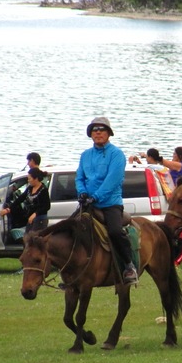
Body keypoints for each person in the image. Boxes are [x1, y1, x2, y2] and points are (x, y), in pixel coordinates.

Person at [75, 117, 138, 285]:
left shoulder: (116, 154)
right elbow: (79, 177)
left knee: (115, 232)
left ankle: (129, 266)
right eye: (94, 130)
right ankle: (73, 272)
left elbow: (113, 180)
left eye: (101, 130)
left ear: (109, 133)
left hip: (110, 203)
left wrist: (96, 196)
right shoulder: (85, 156)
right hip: (88, 203)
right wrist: (82, 193)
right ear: (90, 134)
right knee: (71, 230)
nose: (98, 132)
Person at [0, 167, 50, 234]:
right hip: (30, 219)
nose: (28, 181)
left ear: (36, 179)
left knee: (34, 240)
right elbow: (20, 199)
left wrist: (35, 214)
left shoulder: (43, 190)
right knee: (27, 239)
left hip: (40, 219)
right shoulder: (30, 188)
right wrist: (8, 209)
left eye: (30, 179)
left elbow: (47, 206)